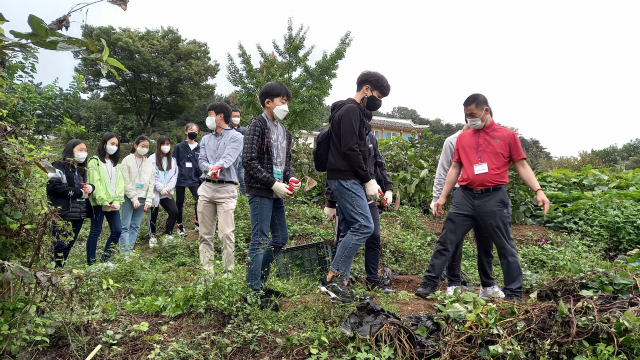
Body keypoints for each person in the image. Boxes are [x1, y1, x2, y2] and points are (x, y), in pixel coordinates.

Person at [416, 94, 550, 302]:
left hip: (494, 198)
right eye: (466, 116)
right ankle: (429, 283)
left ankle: (513, 292)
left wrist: (538, 190)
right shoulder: (463, 138)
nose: (470, 119)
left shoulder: (507, 136)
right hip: (464, 196)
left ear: (486, 111)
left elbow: (522, 165)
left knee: (504, 244)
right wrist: (442, 197)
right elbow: (455, 168)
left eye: (473, 114)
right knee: (447, 240)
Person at [319, 71, 391, 303]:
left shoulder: (355, 113)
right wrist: (367, 179)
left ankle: (341, 285)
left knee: (351, 228)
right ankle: (333, 278)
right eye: (378, 96)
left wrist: (369, 179)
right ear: (366, 89)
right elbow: (351, 149)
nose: (378, 101)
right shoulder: (350, 110)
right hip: (346, 177)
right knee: (364, 226)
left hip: (348, 178)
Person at [431, 123, 505, 299]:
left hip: (486, 195)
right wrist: (437, 198)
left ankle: (487, 285)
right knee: (454, 242)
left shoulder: (490, 140)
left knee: (486, 241)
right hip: (460, 193)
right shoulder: (453, 141)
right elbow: (444, 170)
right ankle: (453, 284)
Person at [243, 81, 301, 304]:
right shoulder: (257, 125)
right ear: (268, 102)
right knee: (259, 239)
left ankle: (260, 282)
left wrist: (291, 178)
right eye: (282, 102)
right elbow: (248, 160)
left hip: (278, 191)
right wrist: (271, 182)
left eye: (287, 102)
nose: (285, 106)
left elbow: (287, 163)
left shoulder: (285, 131)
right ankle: (252, 291)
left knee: (281, 238)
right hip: (261, 190)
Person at [197, 102, 243, 275]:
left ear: (220, 116)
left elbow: (229, 157)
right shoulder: (206, 139)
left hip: (226, 190)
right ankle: (207, 273)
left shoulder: (236, 137)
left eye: (210, 114)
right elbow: (201, 160)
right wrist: (211, 170)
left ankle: (227, 273)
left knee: (226, 234)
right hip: (207, 187)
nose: (208, 118)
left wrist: (216, 168)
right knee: (205, 234)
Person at [46, 139, 95, 268]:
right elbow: (53, 187)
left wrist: (91, 187)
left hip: (79, 213)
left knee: (69, 243)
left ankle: (60, 270)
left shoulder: (81, 169)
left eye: (85, 150)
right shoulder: (58, 165)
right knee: (59, 244)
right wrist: (78, 193)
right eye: (80, 149)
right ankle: (54, 271)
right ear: (70, 150)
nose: (83, 153)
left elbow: (83, 188)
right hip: (63, 212)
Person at [86, 133, 125, 266]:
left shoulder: (116, 165)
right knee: (95, 232)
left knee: (117, 231)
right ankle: (91, 264)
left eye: (116, 145)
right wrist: (103, 201)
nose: (114, 147)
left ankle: (104, 261)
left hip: (113, 204)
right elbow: (94, 182)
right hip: (99, 203)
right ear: (104, 144)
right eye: (112, 144)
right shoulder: (94, 161)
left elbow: (120, 185)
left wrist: (116, 201)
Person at [118, 135, 155, 255]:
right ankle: (124, 253)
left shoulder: (149, 163)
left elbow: (151, 182)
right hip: (129, 198)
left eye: (147, 147)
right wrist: (133, 198)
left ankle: (129, 249)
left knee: (135, 226)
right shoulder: (127, 160)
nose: (145, 148)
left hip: (143, 198)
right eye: (143, 146)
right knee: (125, 225)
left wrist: (149, 200)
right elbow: (125, 181)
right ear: (135, 146)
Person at [149, 135, 180, 245]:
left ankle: (168, 234)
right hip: (155, 192)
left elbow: (174, 175)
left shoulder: (172, 160)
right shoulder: (152, 159)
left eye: (168, 144)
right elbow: (152, 176)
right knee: (153, 214)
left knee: (174, 211)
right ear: (158, 145)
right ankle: (152, 236)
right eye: (163, 144)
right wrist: (160, 188)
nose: (166, 146)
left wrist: (168, 188)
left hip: (167, 192)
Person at [173, 123, 202, 237]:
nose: (193, 132)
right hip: (181, 178)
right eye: (191, 130)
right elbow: (174, 163)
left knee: (199, 199)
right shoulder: (179, 147)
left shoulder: (200, 147)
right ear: (186, 132)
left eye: (195, 130)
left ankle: (198, 222)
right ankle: (179, 225)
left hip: (195, 178)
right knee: (179, 202)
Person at [230, 108, 247, 195]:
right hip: (230, 158)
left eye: (238, 116)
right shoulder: (226, 129)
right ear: (230, 117)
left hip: (241, 157)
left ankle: (243, 199)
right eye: (234, 116)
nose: (236, 118)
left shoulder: (244, 130)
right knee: (231, 180)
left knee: (243, 179)